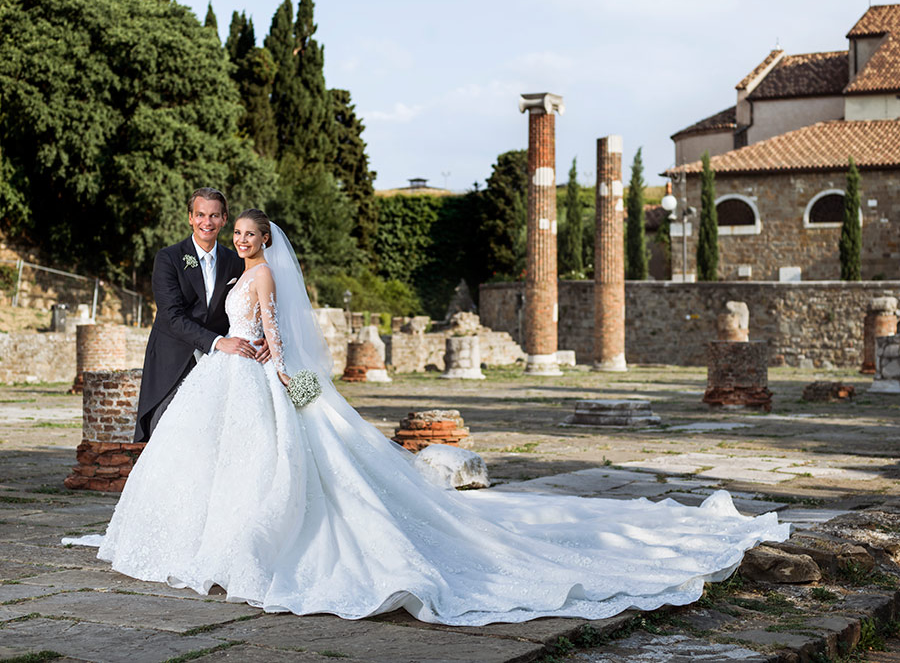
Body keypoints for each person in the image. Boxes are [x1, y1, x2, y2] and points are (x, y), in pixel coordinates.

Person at [67, 210, 789, 626]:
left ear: (263, 240)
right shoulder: (227, 266)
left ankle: (240, 541)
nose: (246, 241)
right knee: (219, 459)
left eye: (253, 234)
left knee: (291, 455)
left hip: (261, 372)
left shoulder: (255, 275)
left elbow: (278, 338)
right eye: (241, 233)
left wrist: (295, 385)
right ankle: (205, 535)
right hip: (227, 375)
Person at [133, 188, 268, 442]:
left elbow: (257, 303)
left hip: (219, 364)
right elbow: (171, 316)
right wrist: (218, 342)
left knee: (212, 435)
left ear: (224, 219)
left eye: (214, 216)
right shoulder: (168, 258)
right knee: (166, 432)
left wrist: (268, 338)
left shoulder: (236, 260)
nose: (207, 222)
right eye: (201, 215)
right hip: (173, 359)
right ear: (190, 218)